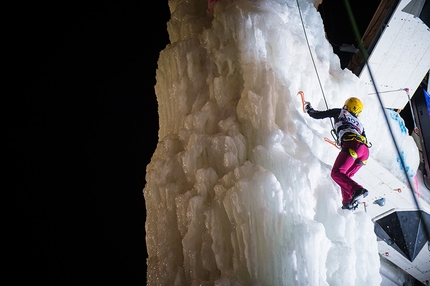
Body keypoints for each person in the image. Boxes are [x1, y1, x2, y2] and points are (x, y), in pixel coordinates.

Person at [304, 97, 371, 210]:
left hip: (352, 145)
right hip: (364, 151)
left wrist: (309, 109)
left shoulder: (340, 112)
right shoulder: (360, 125)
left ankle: (358, 189)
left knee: (336, 173)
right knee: (345, 177)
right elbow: (364, 139)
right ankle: (347, 202)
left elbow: (317, 115)